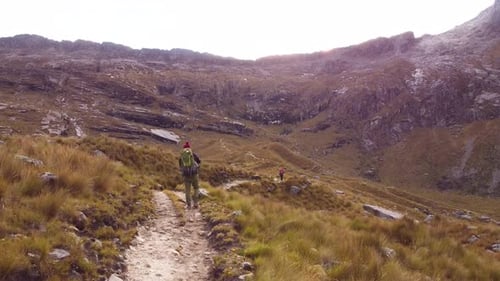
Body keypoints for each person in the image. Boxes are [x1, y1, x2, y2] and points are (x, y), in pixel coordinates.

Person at [178, 141, 201, 209]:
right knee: (196, 188)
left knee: (187, 190)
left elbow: (180, 166)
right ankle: (196, 203)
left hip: (186, 176)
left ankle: (188, 205)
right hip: (194, 174)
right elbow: (199, 162)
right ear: (189, 148)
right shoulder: (193, 154)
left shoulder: (181, 157)